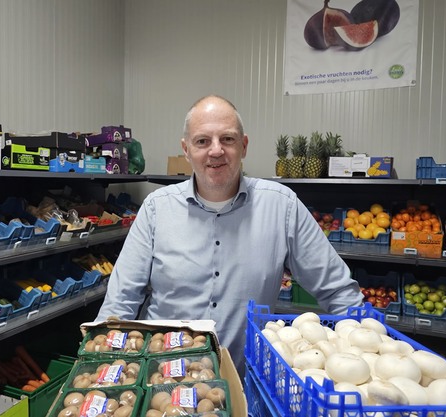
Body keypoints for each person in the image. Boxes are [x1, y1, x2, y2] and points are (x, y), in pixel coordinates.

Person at [96, 94, 363, 376]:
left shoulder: (282, 207)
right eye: (202, 141)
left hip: (248, 383)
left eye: (227, 139)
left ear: (243, 146)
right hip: (163, 381)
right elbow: (121, 301)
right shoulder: (156, 209)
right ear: (186, 150)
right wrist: (100, 364)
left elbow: (338, 291)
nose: (216, 151)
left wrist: (370, 353)